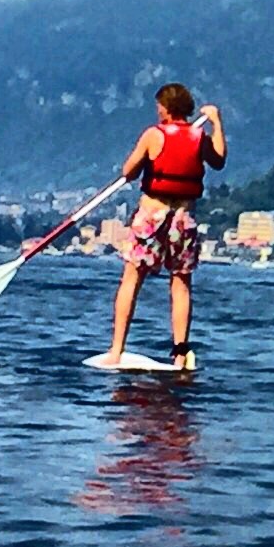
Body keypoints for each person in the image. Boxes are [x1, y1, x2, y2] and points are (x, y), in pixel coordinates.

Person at [95, 83, 226, 371]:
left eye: (159, 107)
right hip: (183, 217)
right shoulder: (199, 137)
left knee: (132, 278)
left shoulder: (153, 136)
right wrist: (216, 122)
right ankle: (180, 353)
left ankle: (116, 350)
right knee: (180, 283)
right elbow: (218, 160)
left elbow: (128, 172)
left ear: (165, 108)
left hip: (152, 215)